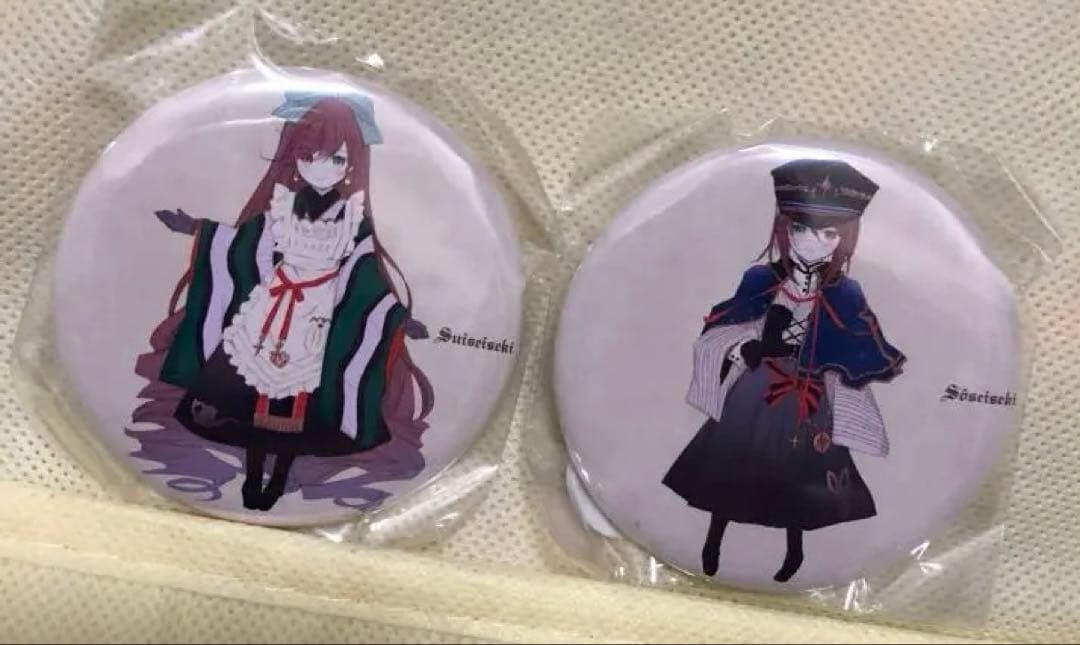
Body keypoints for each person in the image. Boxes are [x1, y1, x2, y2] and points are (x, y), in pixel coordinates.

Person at [663, 159, 905, 582]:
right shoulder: (761, 278)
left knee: (800, 468)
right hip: (758, 385)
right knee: (733, 457)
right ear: (785, 229)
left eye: (829, 234)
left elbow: (861, 343)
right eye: (800, 229)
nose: (813, 242)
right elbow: (725, 325)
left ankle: (794, 550)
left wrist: (829, 354)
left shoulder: (846, 292)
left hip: (810, 394)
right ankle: (713, 539)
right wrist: (746, 346)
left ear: (844, 239)